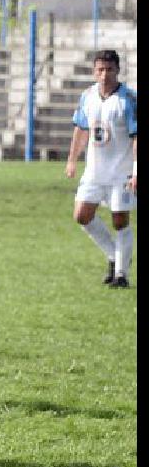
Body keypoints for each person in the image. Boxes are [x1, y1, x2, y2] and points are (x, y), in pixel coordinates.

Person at [65, 49, 137, 288]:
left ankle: (122, 275)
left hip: (121, 173)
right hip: (95, 172)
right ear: (94, 72)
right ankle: (114, 256)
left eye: (109, 69)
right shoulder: (87, 96)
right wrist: (72, 159)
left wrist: (136, 171)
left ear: (118, 70)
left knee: (119, 221)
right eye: (100, 70)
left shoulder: (128, 100)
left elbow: (136, 137)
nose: (104, 75)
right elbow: (80, 128)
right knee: (82, 215)